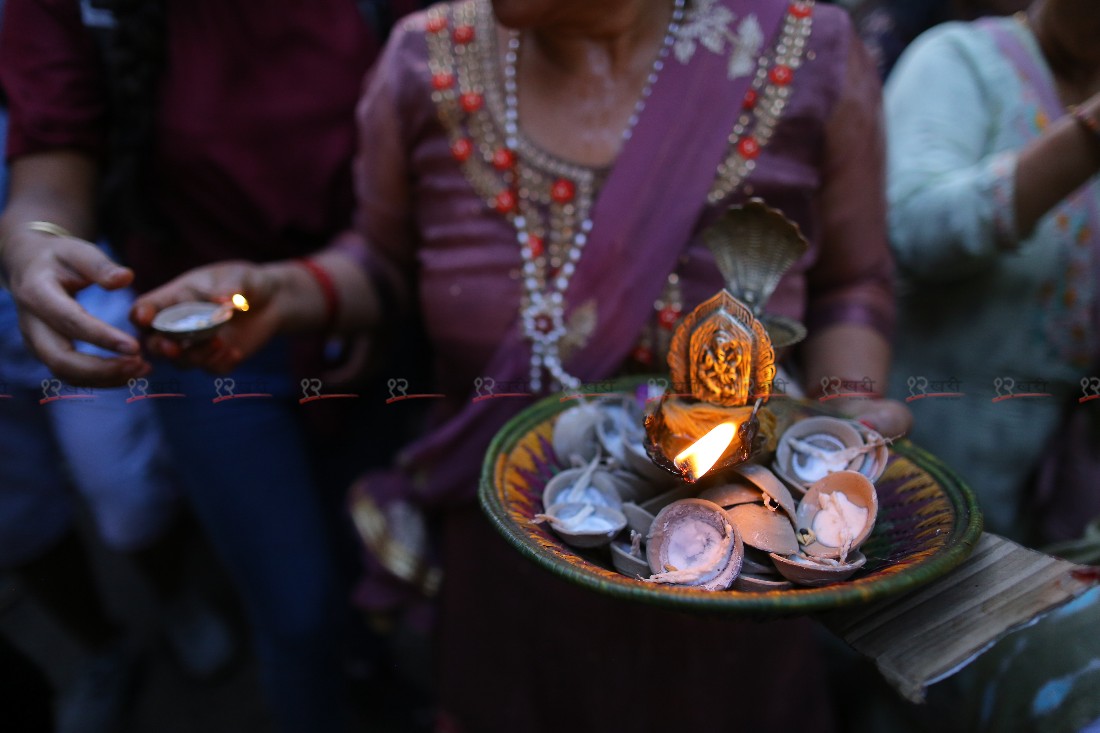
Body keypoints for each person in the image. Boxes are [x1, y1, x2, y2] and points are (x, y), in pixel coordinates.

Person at [120, 0, 913, 729]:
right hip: (507, 565)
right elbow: (384, 263)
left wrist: (844, 418)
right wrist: (281, 293)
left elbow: (852, 281)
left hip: (736, 569)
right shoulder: (425, 63)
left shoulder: (806, 54)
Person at [0, 1, 425, 730]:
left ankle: (378, 677)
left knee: (381, 557)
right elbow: (50, 167)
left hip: (371, 310)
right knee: (295, 609)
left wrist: (371, 286)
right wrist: (35, 245)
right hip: (197, 339)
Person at [883, 0, 1100, 544]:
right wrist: (1088, 136)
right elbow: (913, 232)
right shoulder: (959, 61)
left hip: (1042, 487)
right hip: (912, 461)